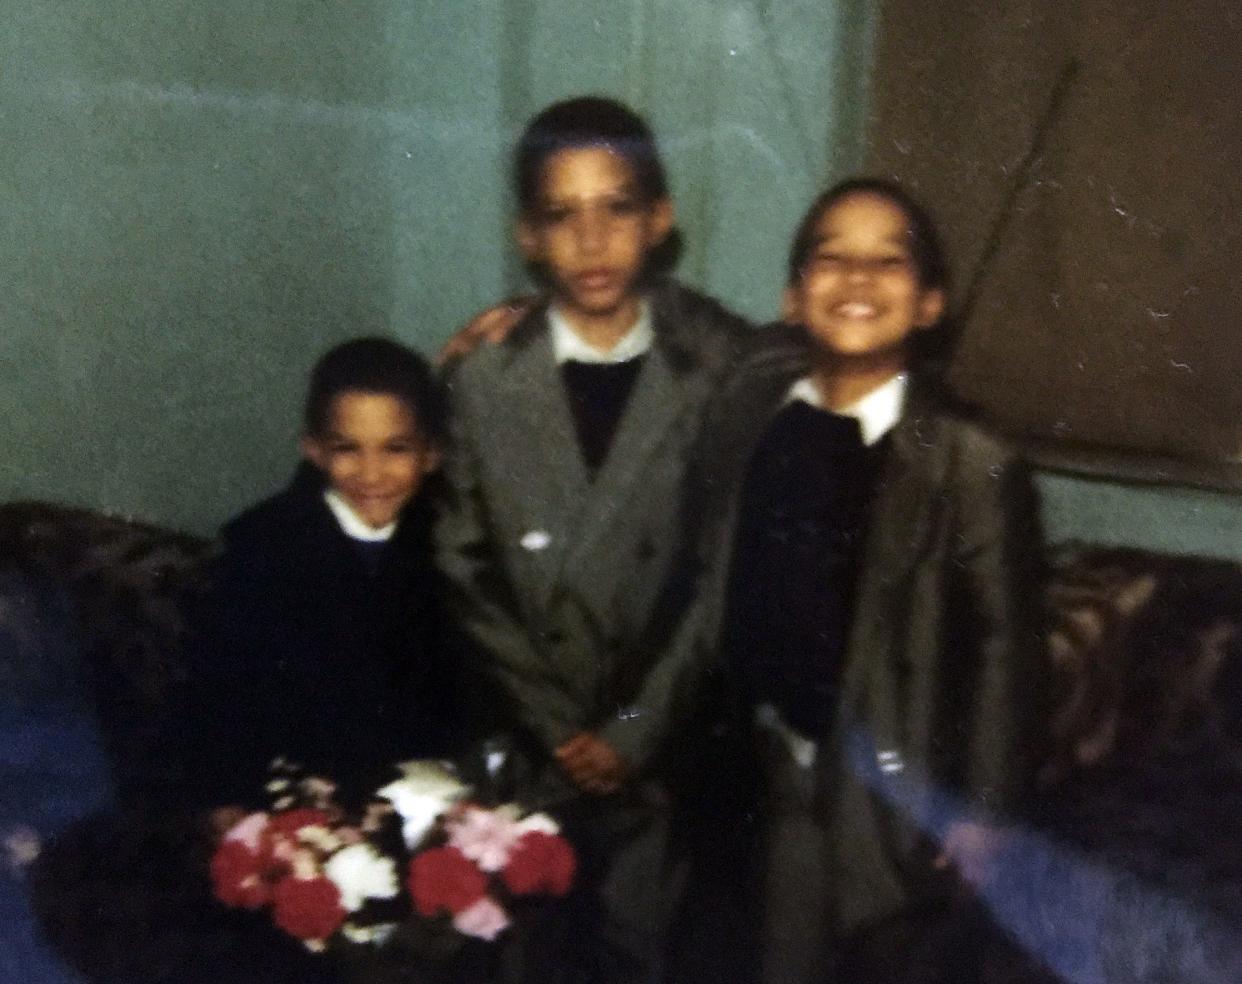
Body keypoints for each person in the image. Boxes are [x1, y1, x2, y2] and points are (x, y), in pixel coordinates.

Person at [681, 178, 1046, 983]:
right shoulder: (752, 409)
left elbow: (1003, 651)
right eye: (831, 259)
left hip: (883, 788)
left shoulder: (972, 464)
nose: (856, 280)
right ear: (790, 297)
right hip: (752, 766)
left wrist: (985, 812)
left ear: (929, 304)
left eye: (889, 262)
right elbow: (669, 315)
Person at [434, 96, 750, 984]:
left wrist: (635, 728)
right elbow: (463, 563)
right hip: (529, 726)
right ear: (527, 236)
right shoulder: (485, 378)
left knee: (639, 945)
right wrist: (558, 722)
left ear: (659, 220)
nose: (592, 239)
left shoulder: (710, 376)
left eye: (617, 208)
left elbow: (716, 573)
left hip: (652, 735)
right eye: (561, 214)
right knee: (519, 945)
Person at [188, 336, 459, 809]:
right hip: (299, 793)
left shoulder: (454, 545)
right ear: (313, 449)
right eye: (347, 449)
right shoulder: (262, 546)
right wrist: (227, 804)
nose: (371, 475)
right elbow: (220, 695)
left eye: (395, 449)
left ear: (431, 454)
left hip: (425, 787)